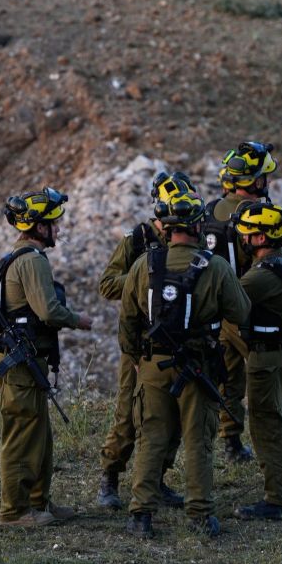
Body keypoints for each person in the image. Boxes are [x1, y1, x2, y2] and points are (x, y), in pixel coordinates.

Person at [121, 190, 250, 538]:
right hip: (198, 365)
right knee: (198, 440)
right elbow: (241, 312)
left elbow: (127, 319)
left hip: (152, 365)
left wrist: (135, 358)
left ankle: (140, 516)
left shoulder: (143, 265)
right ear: (196, 227)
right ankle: (199, 515)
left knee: (151, 437)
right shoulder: (216, 267)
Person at [0, 188, 91, 528]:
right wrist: (77, 320)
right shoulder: (32, 261)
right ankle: (14, 512)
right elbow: (48, 311)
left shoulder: (18, 258)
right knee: (22, 435)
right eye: (53, 223)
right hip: (22, 365)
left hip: (27, 363)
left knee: (39, 434)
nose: (58, 229)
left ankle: (38, 502)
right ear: (37, 227)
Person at [95, 171, 189, 511]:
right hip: (139, 341)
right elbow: (107, 284)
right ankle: (110, 476)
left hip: (177, 340)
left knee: (172, 416)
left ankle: (157, 478)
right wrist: (143, 281)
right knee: (127, 413)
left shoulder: (190, 234)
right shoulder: (138, 239)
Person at [230, 202, 282, 520]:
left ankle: (276, 501)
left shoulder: (258, 277)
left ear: (261, 239)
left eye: (247, 234)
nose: (242, 239)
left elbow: (228, 304)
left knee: (268, 427)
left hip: (270, 360)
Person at [202, 141, 278, 463]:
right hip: (247, 309)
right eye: (263, 178)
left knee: (230, 381)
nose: (267, 183)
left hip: (216, 313)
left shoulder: (209, 210)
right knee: (275, 377)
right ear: (254, 182)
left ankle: (231, 443)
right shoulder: (254, 215)